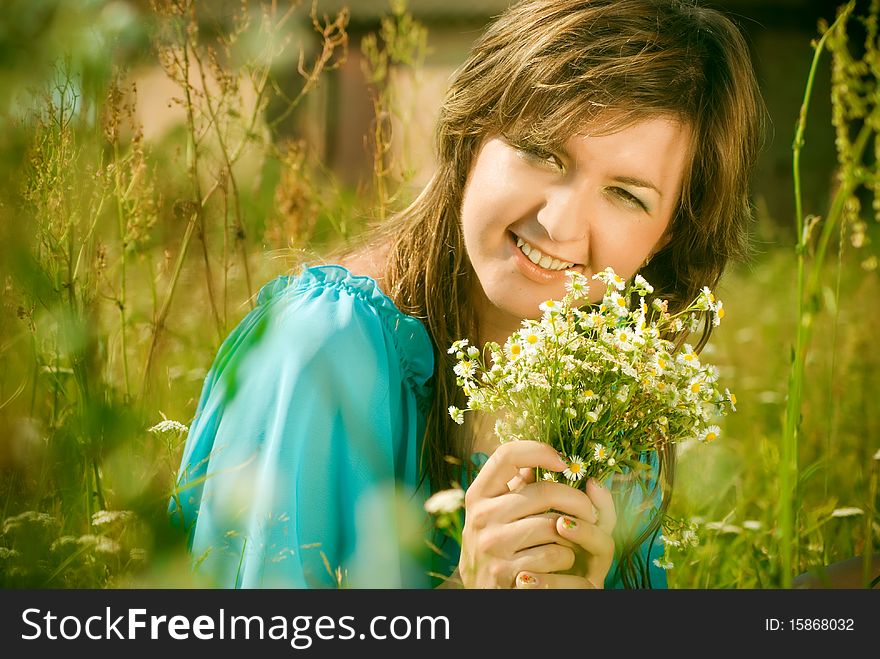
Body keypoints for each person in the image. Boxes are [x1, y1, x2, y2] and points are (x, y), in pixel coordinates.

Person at [169, 0, 765, 589]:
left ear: (667, 238)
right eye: (542, 152)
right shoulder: (325, 349)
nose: (559, 225)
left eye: (627, 195)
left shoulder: (613, 405)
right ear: (471, 135)